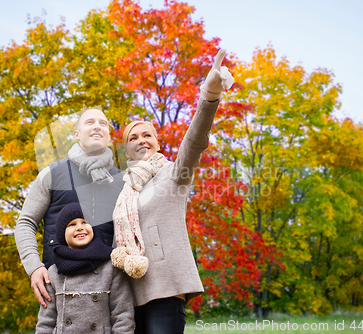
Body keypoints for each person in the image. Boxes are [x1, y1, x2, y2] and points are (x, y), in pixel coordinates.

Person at [110, 49, 234, 333]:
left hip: (165, 288)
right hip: (126, 294)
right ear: (125, 148)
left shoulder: (174, 174)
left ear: (156, 141)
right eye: (133, 137)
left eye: (147, 135)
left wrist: (209, 96)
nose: (141, 140)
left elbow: (194, 142)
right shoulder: (120, 187)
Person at [15, 108, 124, 308]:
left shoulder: (122, 180)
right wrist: (34, 267)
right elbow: (25, 222)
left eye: (103, 123)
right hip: (59, 284)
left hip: (109, 286)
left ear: (109, 135)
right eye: (90, 122)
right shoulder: (52, 174)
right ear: (77, 134)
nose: (97, 126)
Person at [35, 203, 135, 333]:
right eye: (72, 224)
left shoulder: (110, 267)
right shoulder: (54, 272)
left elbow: (122, 316)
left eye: (85, 222)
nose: (80, 228)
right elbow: (45, 322)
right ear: (62, 233)